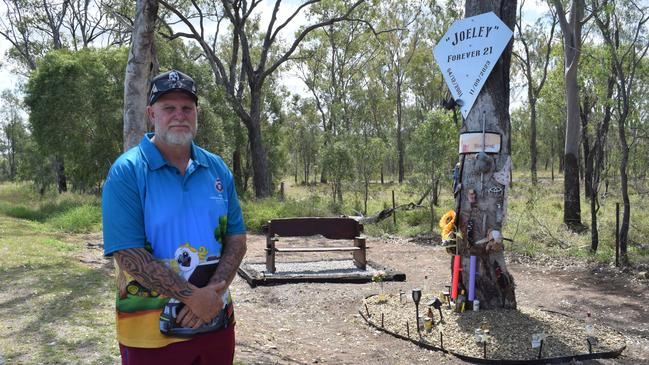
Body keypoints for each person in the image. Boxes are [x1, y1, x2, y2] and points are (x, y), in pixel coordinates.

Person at [102, 69, 247, 365]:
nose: (179, 115)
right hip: (149, 334)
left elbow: (237, 239)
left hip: (216, 325)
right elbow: (128, 254)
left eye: (187, 108)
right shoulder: (127, 171)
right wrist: (194, 298)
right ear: (151, 114)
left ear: (196, 114)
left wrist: (212, 296)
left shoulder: (216, 168)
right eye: (169, 108)